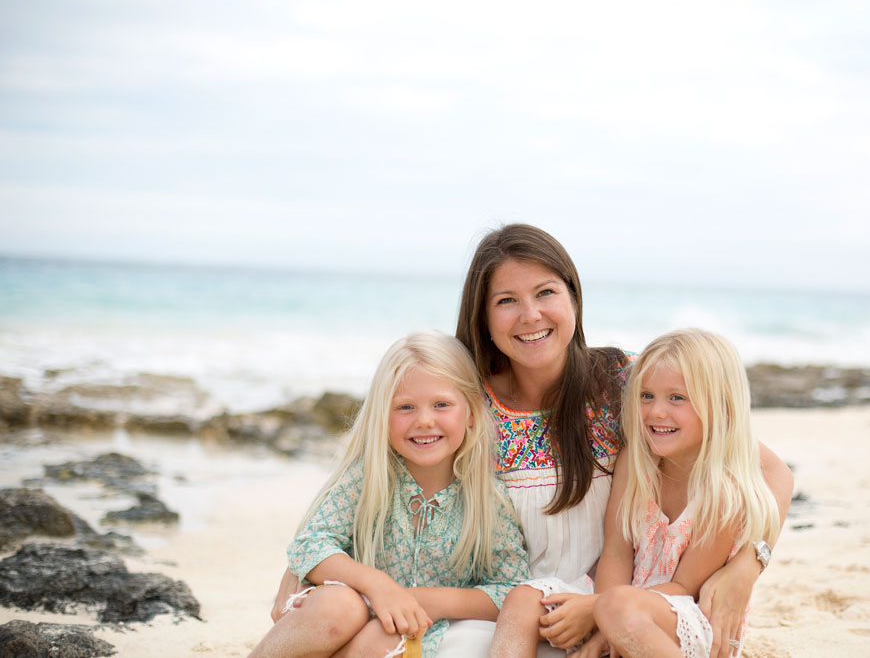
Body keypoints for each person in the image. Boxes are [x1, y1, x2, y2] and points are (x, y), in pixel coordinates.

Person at [272, 224, 793, 657]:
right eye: (506, 301)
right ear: (483, 316)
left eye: (545, 292)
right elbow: (370, 468)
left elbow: (770, 473)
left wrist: (750, 564)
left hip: (603, 603)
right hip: (498, 607)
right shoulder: (460, 397)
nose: (530, 315)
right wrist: (300, 568)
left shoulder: (626, 384)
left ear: (572, 296)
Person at [495, 328, 780, 658]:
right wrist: (600, 611)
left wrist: (602, 612)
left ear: (720, 407)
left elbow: (684, 587)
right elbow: (616, 551)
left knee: (619, 607)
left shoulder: (724, 494)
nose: (656, 412)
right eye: (646, 396)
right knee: (524, 599)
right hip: (618, 597)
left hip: (682, 617)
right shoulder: (635, 460)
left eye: (677, 398)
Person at [250, 332, 530, 658]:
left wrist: (427, 599)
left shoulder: (488, 500)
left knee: (391, 636)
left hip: (403, 629)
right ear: (383, 415)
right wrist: (377, 585)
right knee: (340, 608)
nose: (424, 421)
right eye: (405, 407)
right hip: (337, 615)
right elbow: (310, 544)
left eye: (441, 404)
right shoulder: (369, 475)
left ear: (470, 412)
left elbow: (511, 590)